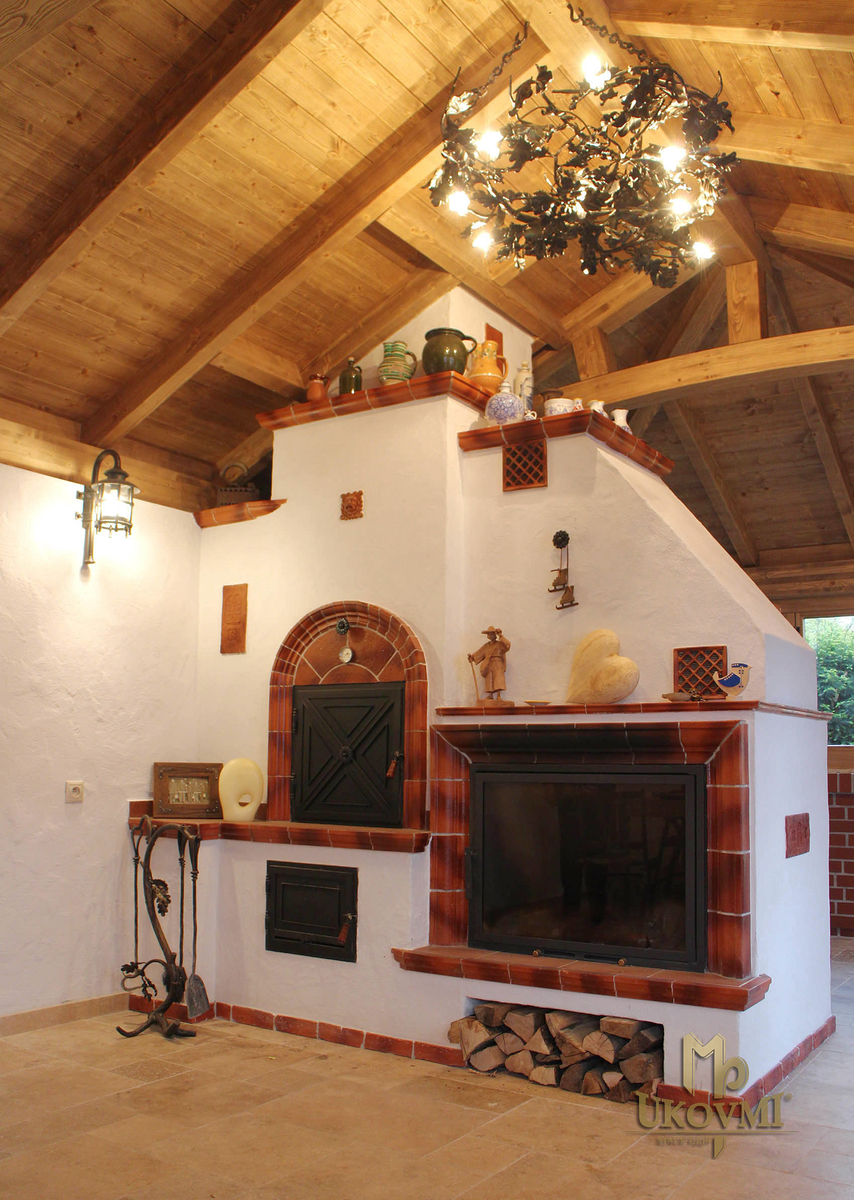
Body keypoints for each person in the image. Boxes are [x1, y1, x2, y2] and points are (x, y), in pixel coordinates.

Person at [468, 626, 511, 700]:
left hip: (497, 663)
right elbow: (480, 652)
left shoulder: (499, 644)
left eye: (491, 634)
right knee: (489, 679)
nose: (490, 636)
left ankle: (498, 696)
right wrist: (472, 657)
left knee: (498, 679)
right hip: (488, 664)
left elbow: (507, 645)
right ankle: (491, 695)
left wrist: (501, 635)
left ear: (495, 635)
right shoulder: (486, 646)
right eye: (489, 634)